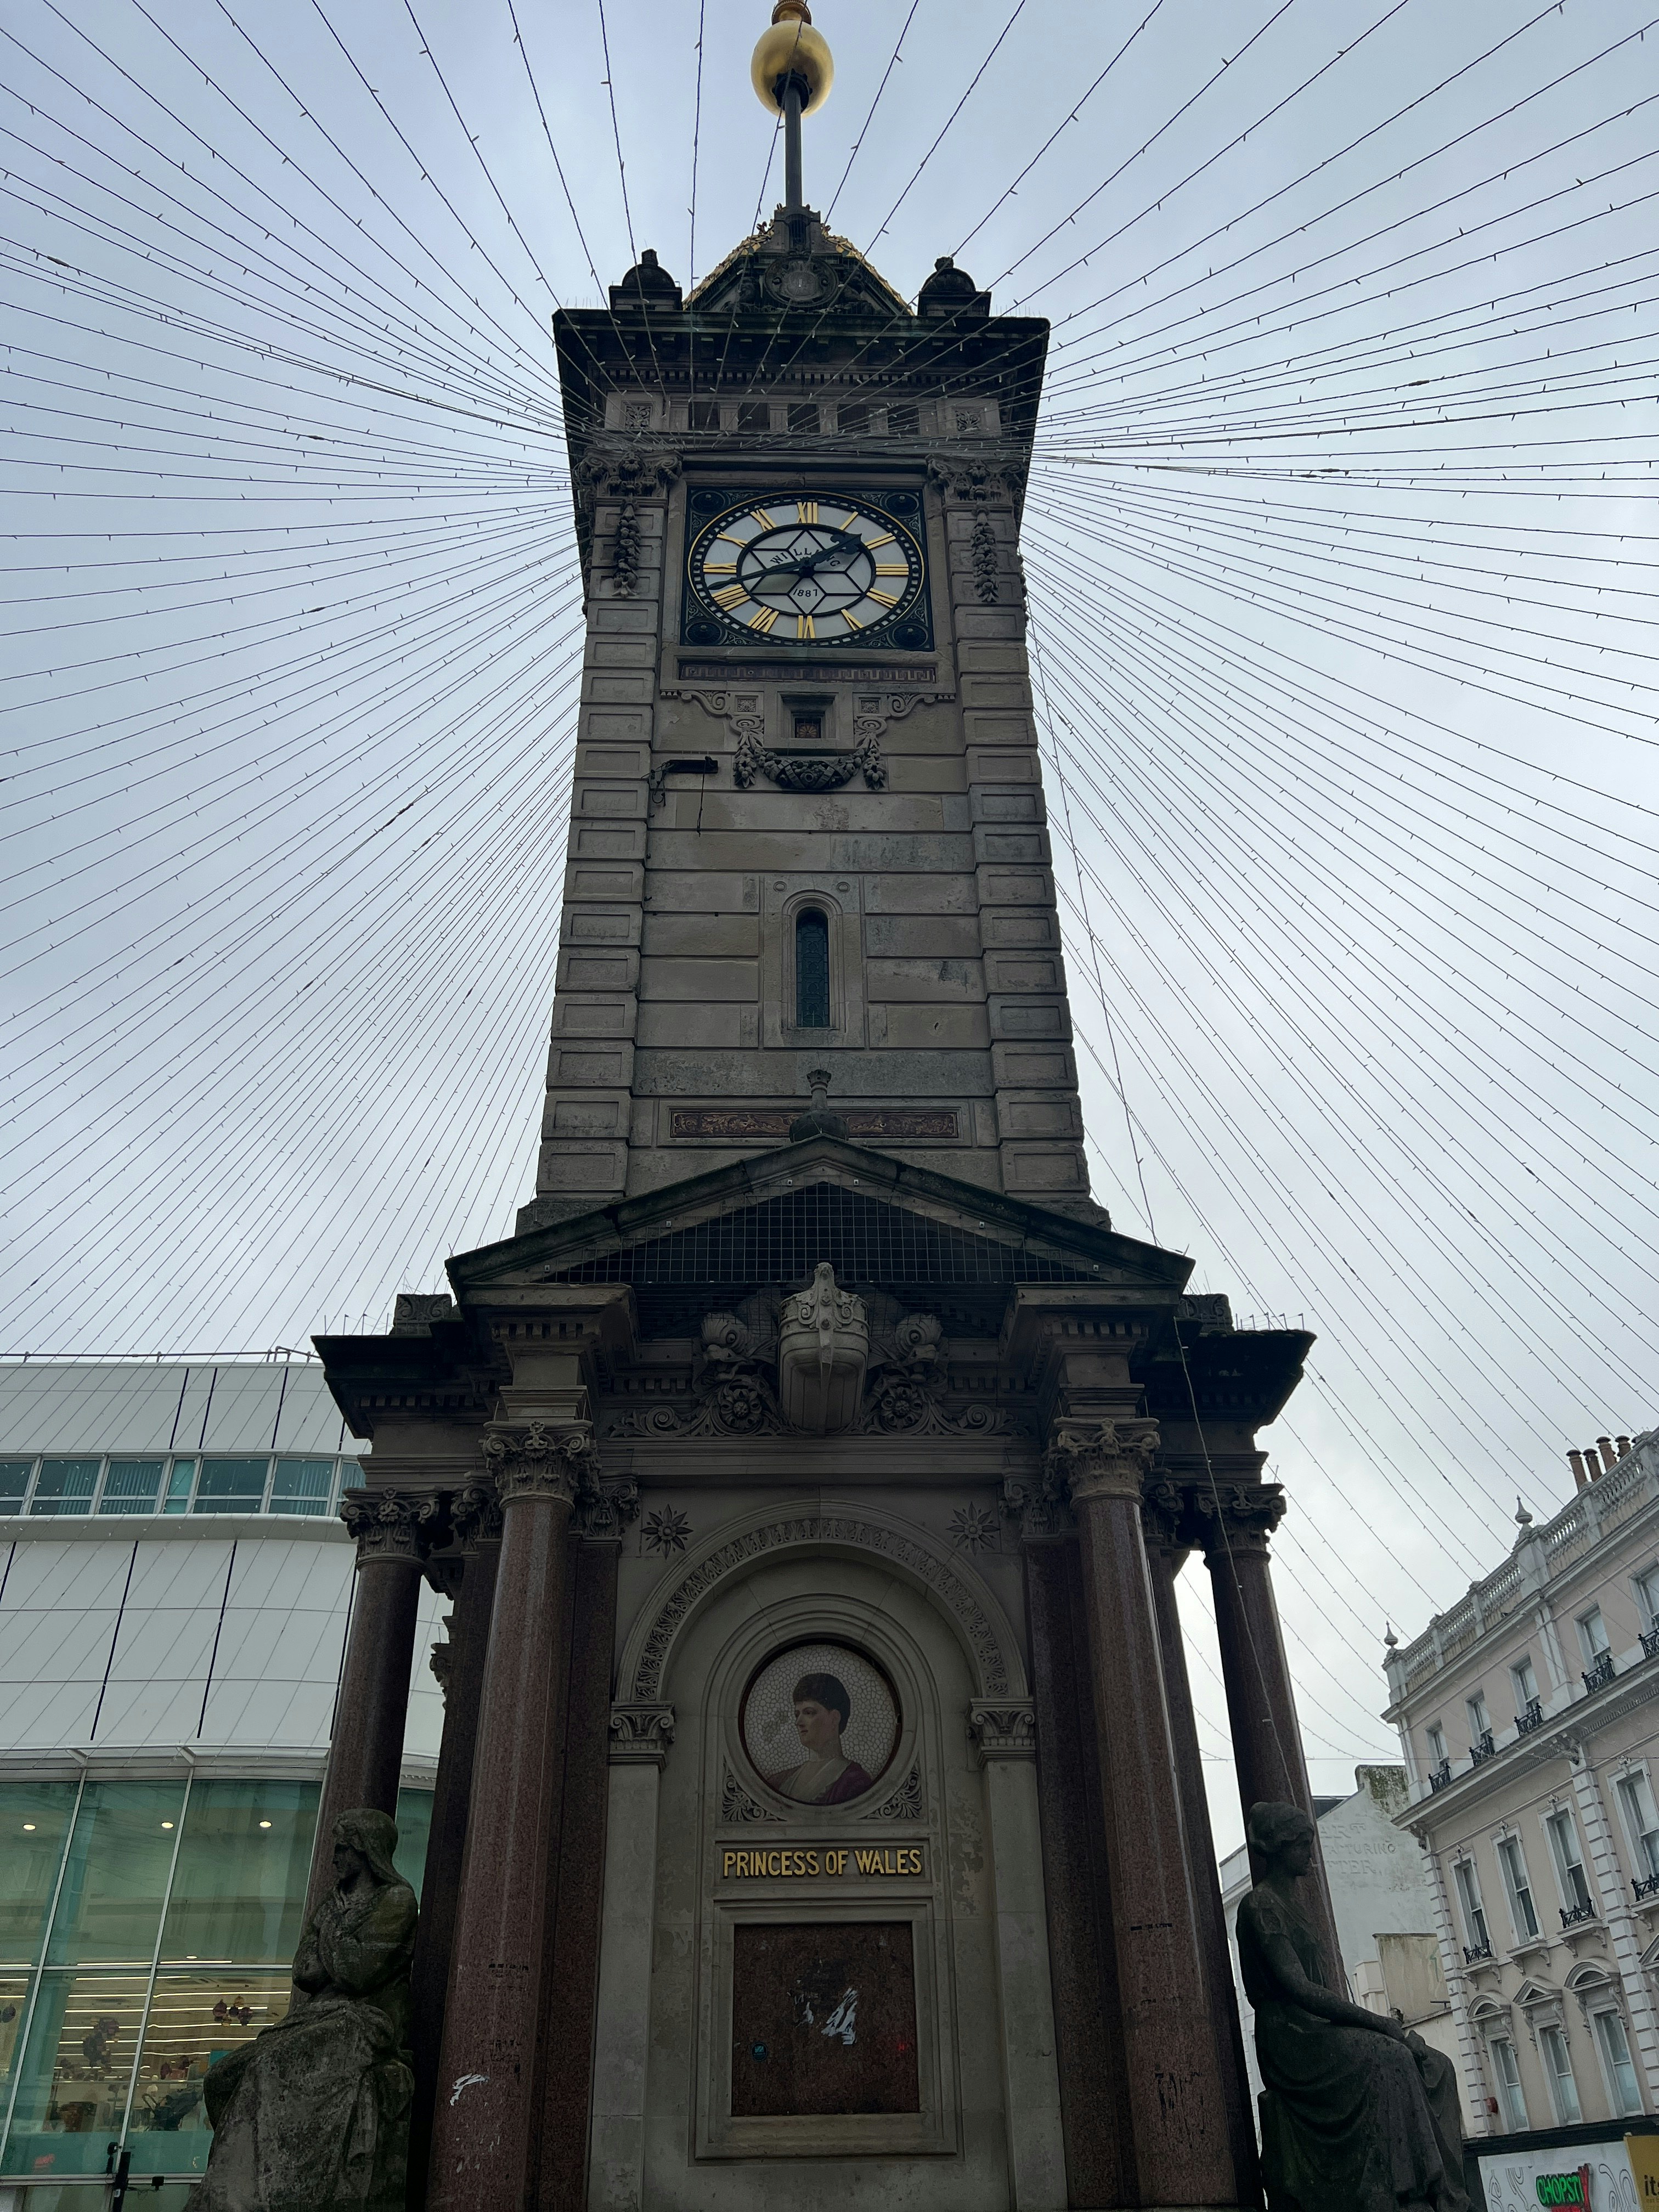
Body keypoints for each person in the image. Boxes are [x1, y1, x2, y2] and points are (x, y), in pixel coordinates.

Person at [1237, 1801, 1468, 2212]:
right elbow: (1298, 1988)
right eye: (1301, 1845)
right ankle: (1398, 2190)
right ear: (1280, 1849)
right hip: (1291, 2037)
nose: (1310, 1854)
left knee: (1437, 2066)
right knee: (1391, 2057)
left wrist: (1377, 2026)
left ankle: (1440, 2189)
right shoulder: (1262, 1906)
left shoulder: (1296, 1908)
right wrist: (1381, 2024)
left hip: (1315, 2028)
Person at [196, 1808, 417, 2212]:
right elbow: (305, 1971)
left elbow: (357, 1973)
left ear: (368, 1852)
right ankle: (234, 2187)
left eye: (344, 1848)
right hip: (317, 2016)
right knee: (222, 2078)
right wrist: (341, 1943)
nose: (335, 1857)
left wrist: (331, 1933)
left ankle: (274, 2194)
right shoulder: (334, 1902)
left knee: (270, 2066)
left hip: (364, 2021)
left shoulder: (396, 1900)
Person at [763, 1672, 874, 1804]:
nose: (798, 1722)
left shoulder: (855, 1782)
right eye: (797, 1714)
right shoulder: (779, 1781)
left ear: (834, 1719)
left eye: (809, 1713)